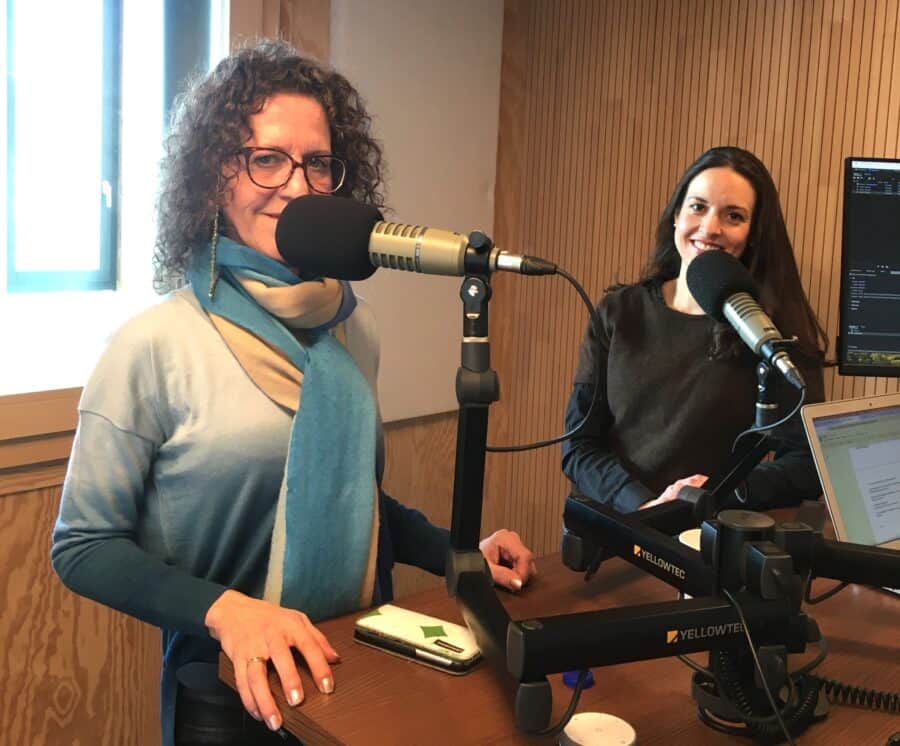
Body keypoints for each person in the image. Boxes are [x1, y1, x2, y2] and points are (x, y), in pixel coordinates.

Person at [51, 39, 535, 746]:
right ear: (218, 176)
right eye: (267, 159)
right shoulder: (153, 346)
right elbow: (84, 546)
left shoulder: (352, 329)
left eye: (317, 164)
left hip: (358, 667)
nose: (297, 186)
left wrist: (459, 551)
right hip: (228, 690)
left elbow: (352, 499)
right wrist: (228, 611)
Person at [562, 146, 827, 514]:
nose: (710, 227)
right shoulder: (619, 312)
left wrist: (716, 493)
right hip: (612, 535)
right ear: (675, 215)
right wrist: (646, 505)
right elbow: (579, 445)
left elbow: (806, 461)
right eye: (698, 207)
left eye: (733, 215)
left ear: (753, 233)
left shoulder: (767, 332)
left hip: (705, 540)